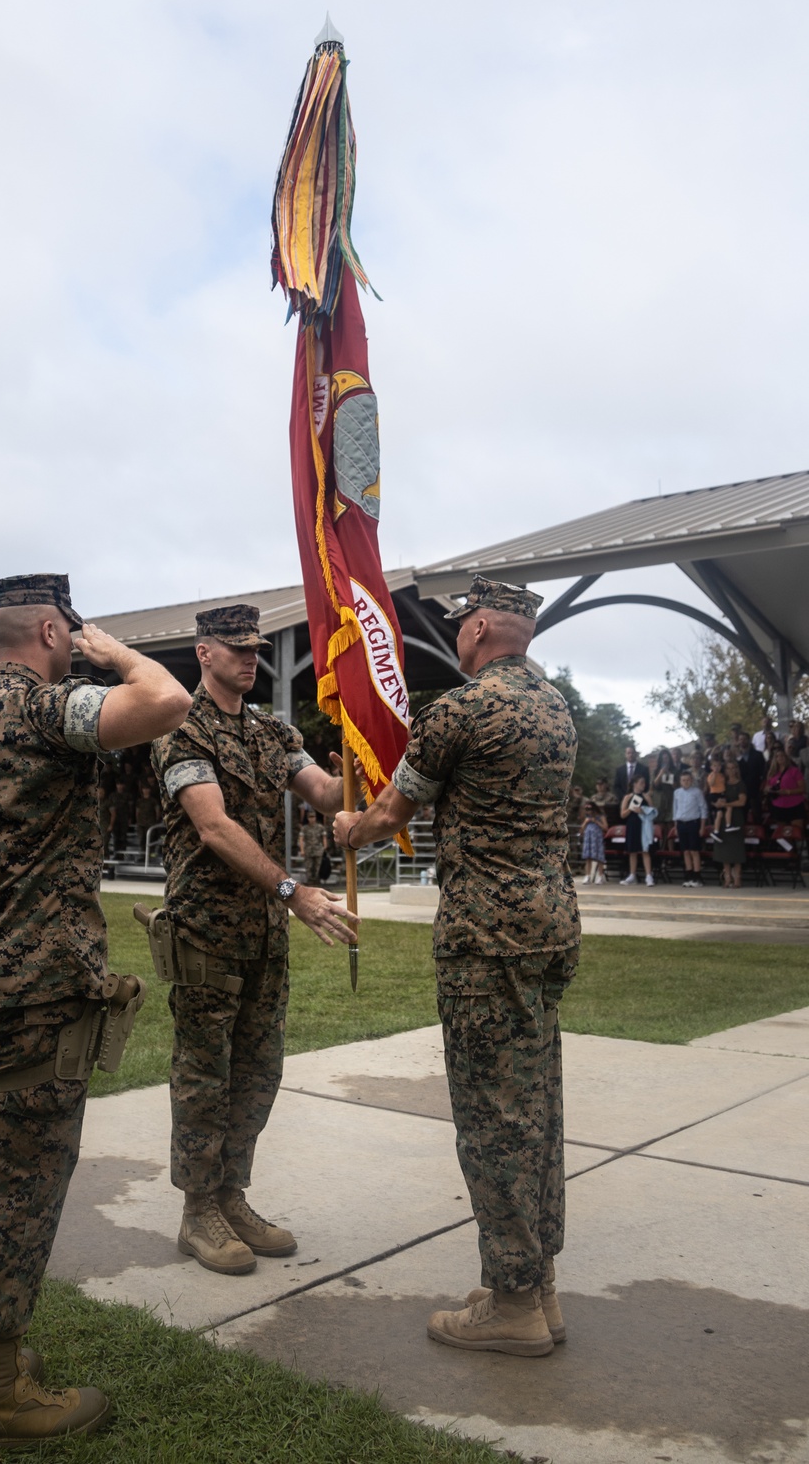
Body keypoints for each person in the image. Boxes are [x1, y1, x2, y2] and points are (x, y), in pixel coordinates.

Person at [0, 572, 191, 1450]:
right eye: (67, 633)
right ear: (46, 629)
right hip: (32, 990)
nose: (76, 645)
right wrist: (111, 653)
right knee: (19, 1186)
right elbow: (167, 700)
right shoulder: (45, 707)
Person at [332, 574, 579, 1359]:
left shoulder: (462, 711)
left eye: (462, 624)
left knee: (493, 1117)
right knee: (535, 1101)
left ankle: (511, 1302)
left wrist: (349, 828)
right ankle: (536, 1283)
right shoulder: (555, 706)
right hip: (549, 923)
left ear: (475, 631)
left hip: (488, 933)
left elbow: (391, 813)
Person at [150, 604, 357, 1278]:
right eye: (235, 648)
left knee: (257, 1072)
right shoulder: (180, 730)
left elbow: (324, 793)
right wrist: (293, 892)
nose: (250, 659)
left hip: (263, 937)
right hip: (207, 933)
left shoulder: (273, 732)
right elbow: (212, 827)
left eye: (256, 649)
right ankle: (197, 1210)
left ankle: (231, 1196)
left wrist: (353, 770)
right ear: (203, 653)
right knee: (204, 1074)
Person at [713, 759, 747, 887]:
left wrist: (726, 804)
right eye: (728, 768)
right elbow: (714, 797)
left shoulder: (740, 784)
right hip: (722, 818)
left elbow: (742, 801)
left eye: (733, 768)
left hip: (736, 818)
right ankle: (727, 877)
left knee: (736, 849)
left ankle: (737, 877)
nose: (731, 770)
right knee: (724, 849)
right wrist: (716, 804)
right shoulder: (722, 783)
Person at [673, 769, 707, 886]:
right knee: (685, 850)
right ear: (680, 781)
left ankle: (697, 876)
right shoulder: (677, 792)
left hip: (693, 823)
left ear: (691, 781)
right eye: (683, 780)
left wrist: (702, 826)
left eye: (688, 780)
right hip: (681, 823)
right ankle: (689, 875)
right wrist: (676, 826)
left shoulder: (697, 792)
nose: (686, 782)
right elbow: (675, 809)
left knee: (694, 850)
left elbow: (703, 809)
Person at [619, 772, 654, 885]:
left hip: (644, 826)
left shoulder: (646, 796)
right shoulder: (627, 797)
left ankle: (649, 875)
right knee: (632, 851)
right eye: (641, 783)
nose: (643, 785)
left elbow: (653, 812)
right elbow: (622, 815)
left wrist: (643, 811)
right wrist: (631, 808)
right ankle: (632, 874)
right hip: (632, 825)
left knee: (645, 850)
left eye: (644, 783)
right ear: (635, 784)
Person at [764, 745, 806, 827]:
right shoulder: (772, 773)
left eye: (782, 755)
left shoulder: (794, 770)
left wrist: (788, 792)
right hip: (778, 805)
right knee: (782, 833)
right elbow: (766, 786)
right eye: (777, 756)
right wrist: (768, 789)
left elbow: (802, 788)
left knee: (796, 831)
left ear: (786, 757)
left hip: (795, 805)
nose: (780, 758)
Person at [299, 809, 328, 887]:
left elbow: (324, 837)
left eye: (313, 817)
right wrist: (302, 850)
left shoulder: (320, 827)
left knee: (317, 867)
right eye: (310, 817)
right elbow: (301, 839)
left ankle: (317, 882)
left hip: (318, 850)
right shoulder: (304, 828)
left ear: (315, 817)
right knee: (309, 867)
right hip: (308, 850)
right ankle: (310, 882)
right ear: (307, 818)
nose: (312, 819)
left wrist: (325, 847)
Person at [580, 801, 607, 884]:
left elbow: (605, 828)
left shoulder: (601, 816)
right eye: (587, 809)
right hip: (588, 839)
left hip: (597, 839)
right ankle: (587, 876)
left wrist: (596, 822)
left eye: (590, 809)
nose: (589, 811)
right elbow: (581, 830)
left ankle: (600, 876)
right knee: (588, 858)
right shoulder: (587, 818)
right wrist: (586, 822)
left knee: (599, 857)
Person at [650, 749, 677, 825]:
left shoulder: (674, 770)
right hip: (658, 799)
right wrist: (660, 773)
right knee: (659, 822)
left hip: (670, 798)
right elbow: (654, 785)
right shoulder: (656, 771)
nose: (664, 760)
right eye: (663, 758)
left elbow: (676, 786)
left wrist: (669, 774)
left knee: (670, 821)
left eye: (666, 758)